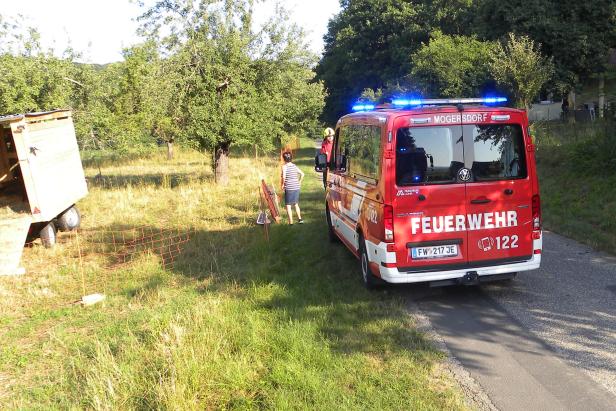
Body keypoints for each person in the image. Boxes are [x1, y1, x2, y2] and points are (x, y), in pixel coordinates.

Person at [281, 151, 305, 225]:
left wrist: (282, 184)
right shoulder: (294, 166)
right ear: (291, 158)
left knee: (288, 205)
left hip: (289, 187)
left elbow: (284, 177)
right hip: (296, 187)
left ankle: (290, 222)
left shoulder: (284, 167)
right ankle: (300, 219)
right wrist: (299, 181)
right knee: (296, 204)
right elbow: (302, 174)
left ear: (284, 159)